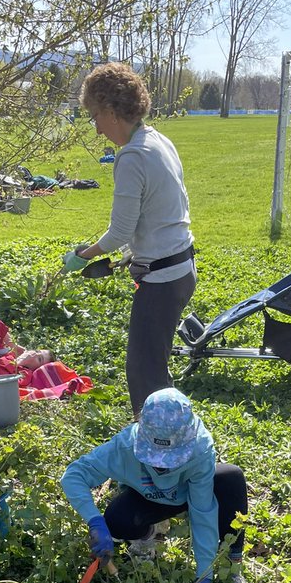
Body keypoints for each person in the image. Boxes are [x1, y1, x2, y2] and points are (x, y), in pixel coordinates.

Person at [63, 62, 196, 416]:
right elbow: (153, 215)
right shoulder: (157, 140)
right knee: (154, 364)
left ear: (110, 110)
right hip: (181, 267)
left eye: (94, 115)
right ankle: (168, 438)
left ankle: (159, 450)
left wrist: (83, 254)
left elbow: (120, 230)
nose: (95, 127)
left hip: (163, 279)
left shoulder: (133, 156)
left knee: (144, 375)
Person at [60, 387, 247, 583]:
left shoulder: (200, 449)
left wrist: (204, 575)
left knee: (231, 479)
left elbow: (203, 511)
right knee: (116, 519)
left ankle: (232, 565)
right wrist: (94, 521)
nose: (161, 466)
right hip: (149, 498)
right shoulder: (125, 446)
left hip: (188, 495)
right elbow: (74, 475)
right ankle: (149, 533)